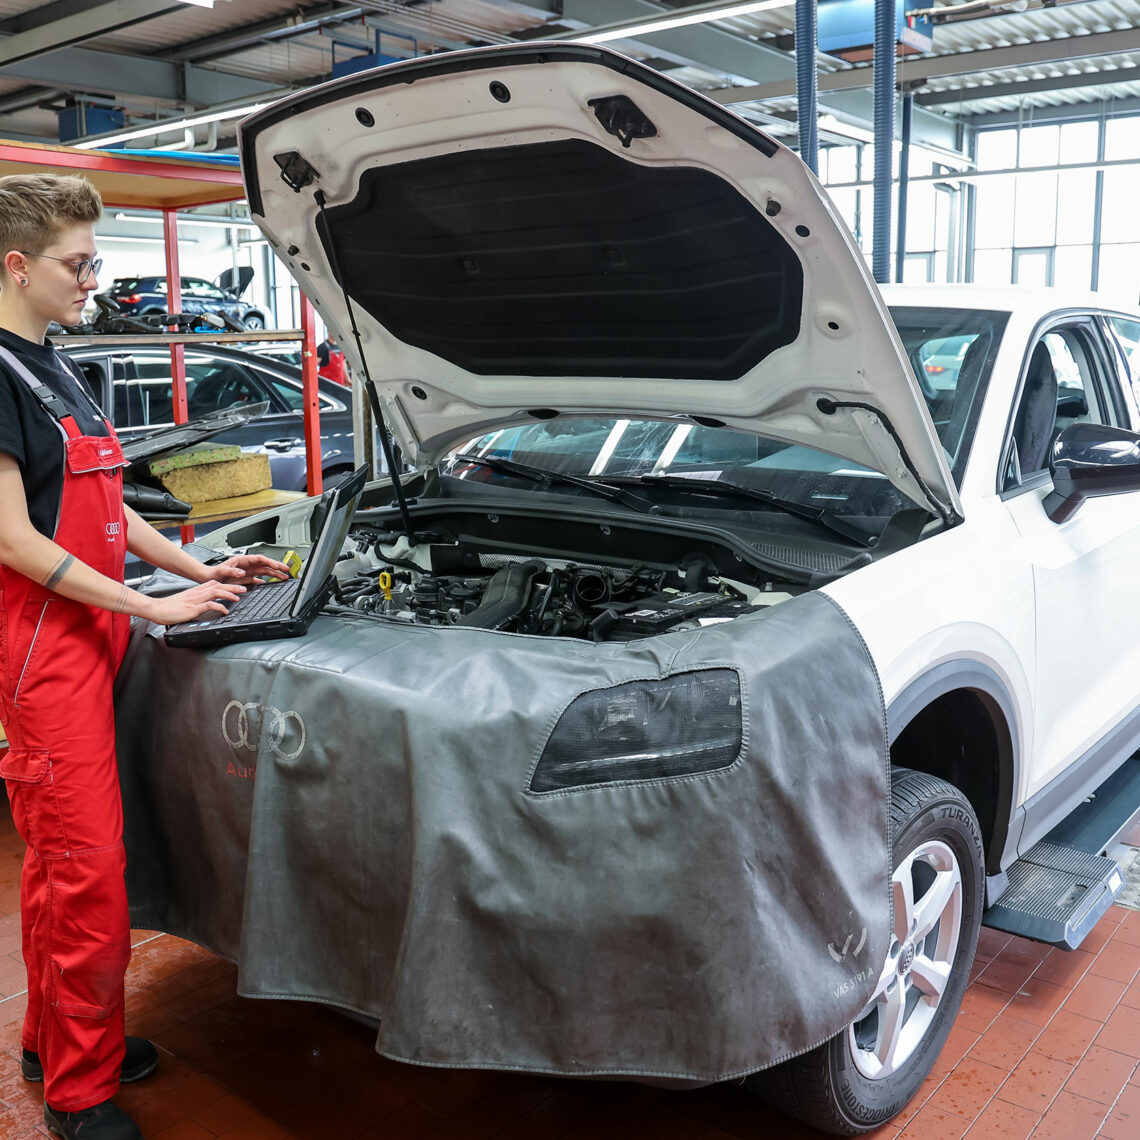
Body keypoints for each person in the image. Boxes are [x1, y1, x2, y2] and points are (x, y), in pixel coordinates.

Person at [0, 174, 289, 1140]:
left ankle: (53, 1039)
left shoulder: (52, 362)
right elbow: (12, 538)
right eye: (79, 265)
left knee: (66, 868)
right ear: (17, 265)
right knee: (84, 870)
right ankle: (78, 1093)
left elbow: (107, 503)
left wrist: (200, 566)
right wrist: (152, 605)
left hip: (99, 633)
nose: (93, 281)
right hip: (46, 654)